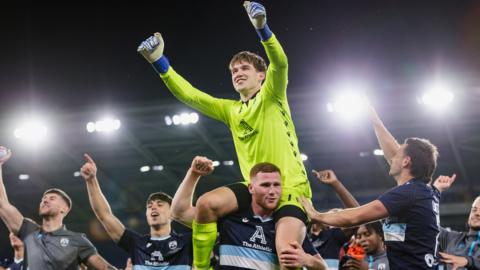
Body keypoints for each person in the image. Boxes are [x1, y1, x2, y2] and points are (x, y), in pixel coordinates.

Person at [137, 2, 312, 268]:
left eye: (244, 69)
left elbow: (281, 62)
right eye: (234, 71)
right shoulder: (231, 110)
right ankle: (202, 267)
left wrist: (262, 29)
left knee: (287, 255)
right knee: (206, 204)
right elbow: (192, 96)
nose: (238, 74)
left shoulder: (272, 96)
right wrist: (160, 64)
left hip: (290, 189)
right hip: (252, 188)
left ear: (262, 76)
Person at [300, 106, 456, 270]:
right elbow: (393, 152)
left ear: (406, 162)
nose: (392, 157)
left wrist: (317, 215)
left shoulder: (409, 193)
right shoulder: (422, 192)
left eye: (398, 155)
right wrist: (375, 120)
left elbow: (356, 216)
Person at [171, 156, 326, 269]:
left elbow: (323, 267)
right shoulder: (230, 218)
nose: (272, 191)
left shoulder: (286, 226)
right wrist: (193, 174)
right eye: (265, 185)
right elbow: (179, 212)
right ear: (250, 188)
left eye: (276, 185)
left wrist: (307, 260)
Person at [0, 146, 115, 270]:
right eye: (43, 199)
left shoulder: (77, 240)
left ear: (64, 209)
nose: (45, 200)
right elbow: (2, 204)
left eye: (52, 198)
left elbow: (104, 268)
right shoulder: (29, 232)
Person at [79, 154, 193, 269]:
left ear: (172, 214)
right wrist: (91, 180)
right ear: (147, 214)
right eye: (149, 206)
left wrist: (193, 174)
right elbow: (104, 215)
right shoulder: (136, 243)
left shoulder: (187, 242)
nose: (153, 207)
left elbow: (207, 221)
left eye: (160, 205)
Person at [307, 170, 359, 270]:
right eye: (335, 213)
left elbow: (356, 216)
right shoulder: (304, 232)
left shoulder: (333, 237)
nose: (338, 217)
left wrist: (336, 184)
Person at [436, 195, 480, 270]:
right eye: (474, 210)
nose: (477, 213)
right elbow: (427, 224)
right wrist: (436, 190)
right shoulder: (451, 238)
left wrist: (468, 261)